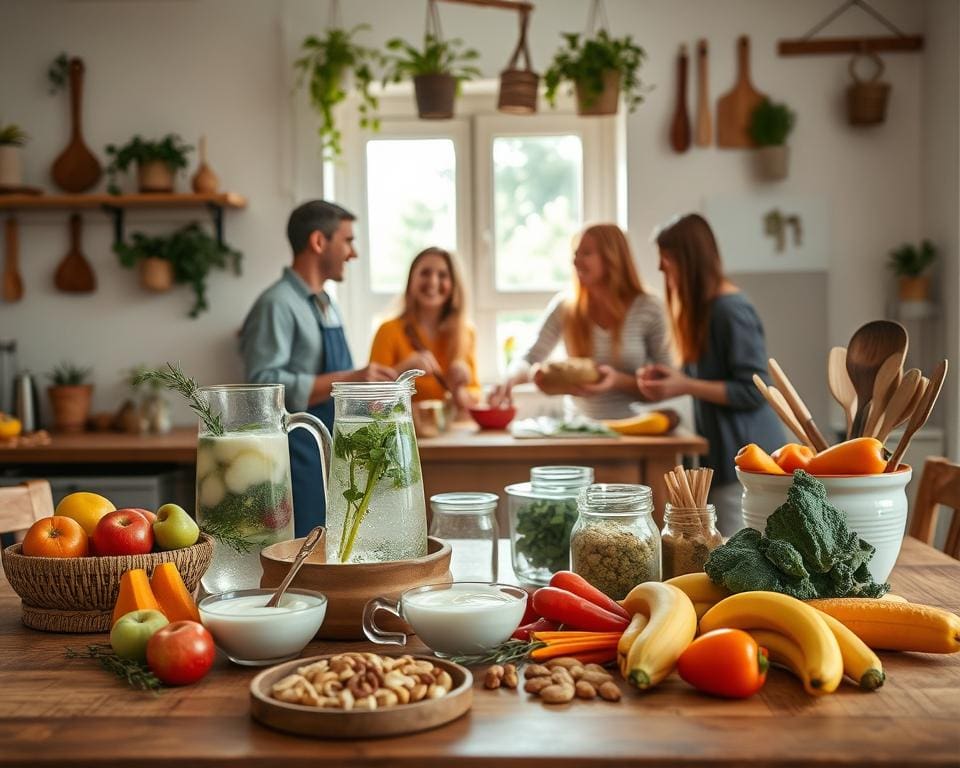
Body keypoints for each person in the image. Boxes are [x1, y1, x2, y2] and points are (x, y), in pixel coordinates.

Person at [240, 200, 397, 536]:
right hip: (297, 464)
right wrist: (350, 378)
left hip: (334, 458)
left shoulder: (327, 304)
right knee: (303, 555)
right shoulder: (276, 305)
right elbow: (262, 385)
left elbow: (338, 381)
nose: (353, 253)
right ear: (318, 242)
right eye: (348, 241)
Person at [636, 213, 785, 534]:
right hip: (729, 462)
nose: (661, 268)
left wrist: (684, 385)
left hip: (748, 464)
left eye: (667, 259)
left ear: (688, 260)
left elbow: (754, 389)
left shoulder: (730, 310)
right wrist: (674, 380)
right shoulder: (707, 311)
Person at [491, 223, 673, 420]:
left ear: (612, 257)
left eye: (586, 253)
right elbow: (530, 357)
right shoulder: (565, 307)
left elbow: (668, 384)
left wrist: (617, 381)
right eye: (575, 254)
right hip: (579, 429)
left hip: (635, 428)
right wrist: (508, 380)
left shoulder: (649, 308)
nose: (576, 261)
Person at [368, 246, 480, 410]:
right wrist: (404, 370)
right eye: (425, 273)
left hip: (448, 431)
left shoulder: (466, 333)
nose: (433, 282)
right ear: (411, 280)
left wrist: (458, 389)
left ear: (454, 284)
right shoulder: (388, 331)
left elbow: (473, 402)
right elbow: (370, 403)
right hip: (400, 433)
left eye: (443, 275)